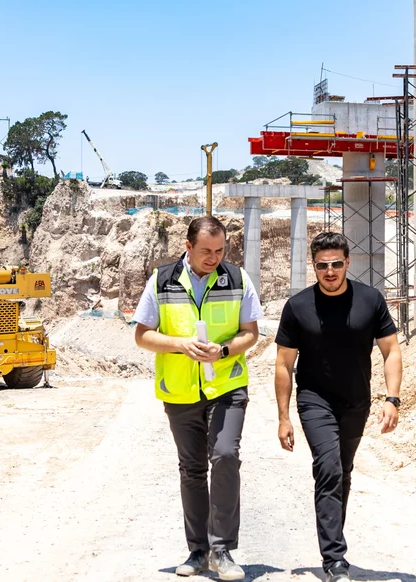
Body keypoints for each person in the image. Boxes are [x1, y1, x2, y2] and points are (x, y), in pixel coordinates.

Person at [133, 216, 264, 581]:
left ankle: (222, 550)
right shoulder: (162, 280)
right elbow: (142, 336)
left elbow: (250, 333)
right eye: (206, 250)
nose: (214, 257)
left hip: (226, 386)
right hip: (181, 391)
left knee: (225, 455)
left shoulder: (237, 278)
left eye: (220, 250)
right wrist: (180, 345)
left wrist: (222, 351)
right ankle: (197, 550)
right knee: (191, 469)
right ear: (187, 247)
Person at [274, 232, 402, 582]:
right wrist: (284, 417)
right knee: (328, 468)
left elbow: (391, 350)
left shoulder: (370, 300)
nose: (329, 271)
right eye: (322, 265)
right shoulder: (298, 307)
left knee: (342, 473)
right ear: (313, 267)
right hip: (314, 399)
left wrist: (392, 398)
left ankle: (333, 541)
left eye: (336, 264)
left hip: (356, 401)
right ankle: (334, 560)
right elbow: (284, 364)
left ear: (348, 263)